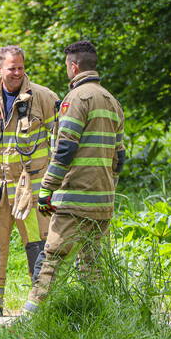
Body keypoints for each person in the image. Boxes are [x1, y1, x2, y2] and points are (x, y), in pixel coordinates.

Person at [24, 40, 125, 314]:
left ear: (73, 66)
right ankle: (100, 314)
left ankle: (32, 318)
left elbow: (65, 148)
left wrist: (47, 188)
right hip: (103, 201)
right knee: (91, 261)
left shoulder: (77, 99)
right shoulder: (112, 101)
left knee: (51, 257)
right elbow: (120, 157)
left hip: (74, 199)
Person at [0, 45, 60, 316]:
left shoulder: (44, 97)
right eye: (12, 68)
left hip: (33, 188)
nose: (17, 73)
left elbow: (60, 139)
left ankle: (41, 304)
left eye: (21, 67)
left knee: (39, 246)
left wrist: (56, 181)